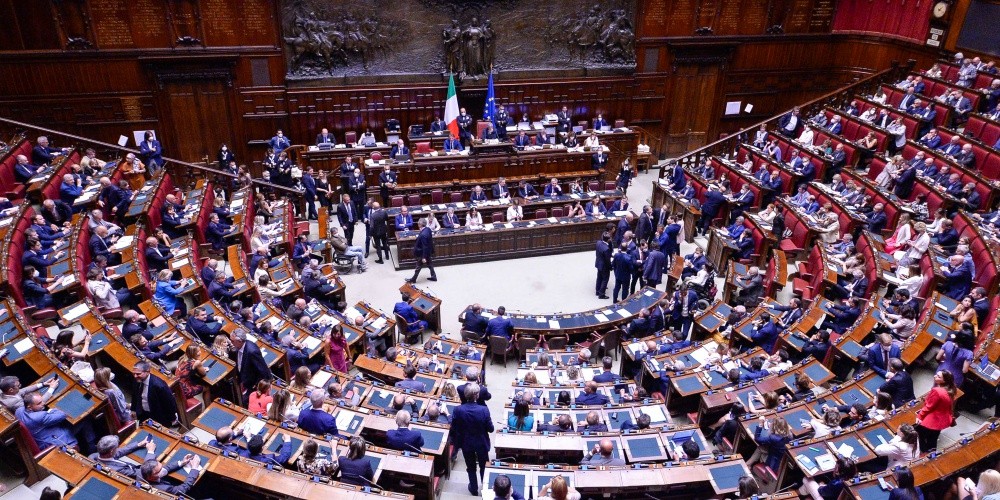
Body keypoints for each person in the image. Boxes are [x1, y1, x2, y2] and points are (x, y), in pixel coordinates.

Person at [453, 383, 494, 495]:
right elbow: (491, 429)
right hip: (481, 442)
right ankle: (485, 488)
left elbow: (455, 427)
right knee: (483, 466)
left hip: (466, 443)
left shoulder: (458, 410)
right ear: (477, 395)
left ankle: (474, 488)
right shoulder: (484, 410)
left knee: (470, 467)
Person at [16, 391, 85, 450]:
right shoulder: (38, 417)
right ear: (29, 407)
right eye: (39, 403)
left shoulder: (19, 411)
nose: (43, 403)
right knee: (84, 420)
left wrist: (47, 412)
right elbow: (62, 414)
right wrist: (51, 410)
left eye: (42, 401)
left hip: (42, 436)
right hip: (55, 442)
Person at [915, 370, 957, 451]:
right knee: (933, 439)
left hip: (933, 420)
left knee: (918, 435)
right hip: (942, 420)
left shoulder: (937, 391)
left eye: (938, 376)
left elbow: (929, 406)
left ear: (944, 381)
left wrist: (920, 416)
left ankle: (923, 452)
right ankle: (931, 454)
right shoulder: (950, 390)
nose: (935, 376)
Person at [131, 361, 178, 427]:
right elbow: (135, 395)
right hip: (143, 414)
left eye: (138, 374)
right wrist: (133, 409)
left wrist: (172, 418)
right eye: (134, 373)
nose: (135, 376)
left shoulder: (159, 385)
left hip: (158, 416)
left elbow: (169, 403)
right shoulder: (138, 380)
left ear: (147, 372)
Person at [230, 329, 270, 402]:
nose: (231, 342)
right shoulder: (238, 347)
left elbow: (263, 371)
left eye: (232, 341)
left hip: (254, 384)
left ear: (240, 341)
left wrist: (257, 387)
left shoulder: (252, 351)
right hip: (245, 381)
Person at [90, 434, 155, 477]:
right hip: (138, 475)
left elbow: (120, 451)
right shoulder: (116, 470)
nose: (117, 449)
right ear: (111, 451)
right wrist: (150, 452)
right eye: (116, 448)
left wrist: (139, 444)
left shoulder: (96, 455)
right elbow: (144, 473)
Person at [406, 218, 437, 283]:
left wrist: (423, 257)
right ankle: (434, 276)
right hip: (428, 251)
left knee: (418, 266)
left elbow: (424, 246)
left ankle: (413, 279)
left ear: (420, 225)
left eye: (418, 224)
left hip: (422, 253)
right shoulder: (428, 229)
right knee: (429, 264)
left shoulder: (423, 235)